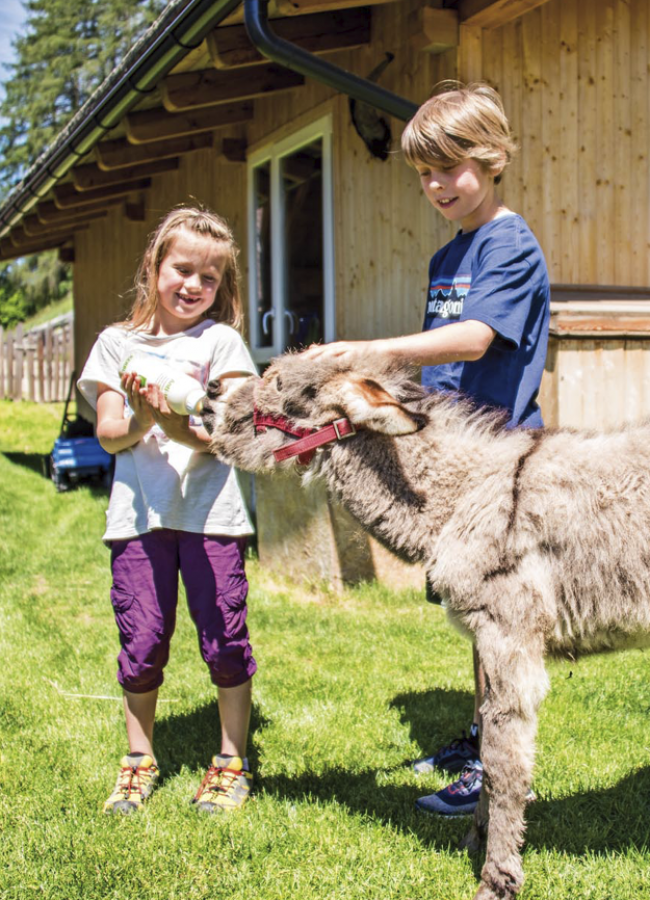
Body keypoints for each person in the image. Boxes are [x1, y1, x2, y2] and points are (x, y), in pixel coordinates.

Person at [303, 82, 550, 816]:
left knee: (498, 621)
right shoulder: (450, 255)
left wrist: (374, 347)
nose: (437, 186)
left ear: (494, 157)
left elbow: (475, 339)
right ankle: (478, 738)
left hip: (499, 459)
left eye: (450, 168)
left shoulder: (510, 242)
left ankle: (495, 770)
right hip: (453, 456)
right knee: (472, 613)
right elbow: (441, 362)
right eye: (424, 174)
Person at [78, 206, 258, 815]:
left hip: (212, 514)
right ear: (154, 268)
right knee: (144, 636)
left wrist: (171, 423)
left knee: (225, 637)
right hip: (139, 517)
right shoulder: (116, 344)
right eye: (182, 270)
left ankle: (231, 760)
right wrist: (143, 417)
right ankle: (138, 758)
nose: (193, 286)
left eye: (208, 279)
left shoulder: (221, 342)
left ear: (221, 287)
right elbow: (107, 433)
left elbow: (228, 434)